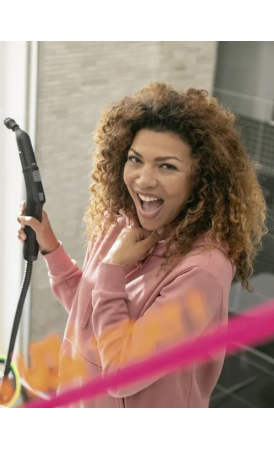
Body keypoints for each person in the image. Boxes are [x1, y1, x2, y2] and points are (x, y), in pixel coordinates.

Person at [17, 82, 267, 408]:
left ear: (200, 177)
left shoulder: (202, 271)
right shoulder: (122, 224)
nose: (144, 179)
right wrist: (51, 248)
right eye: (135, 159)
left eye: (167, 166)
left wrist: (114, 267)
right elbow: (89, 314)